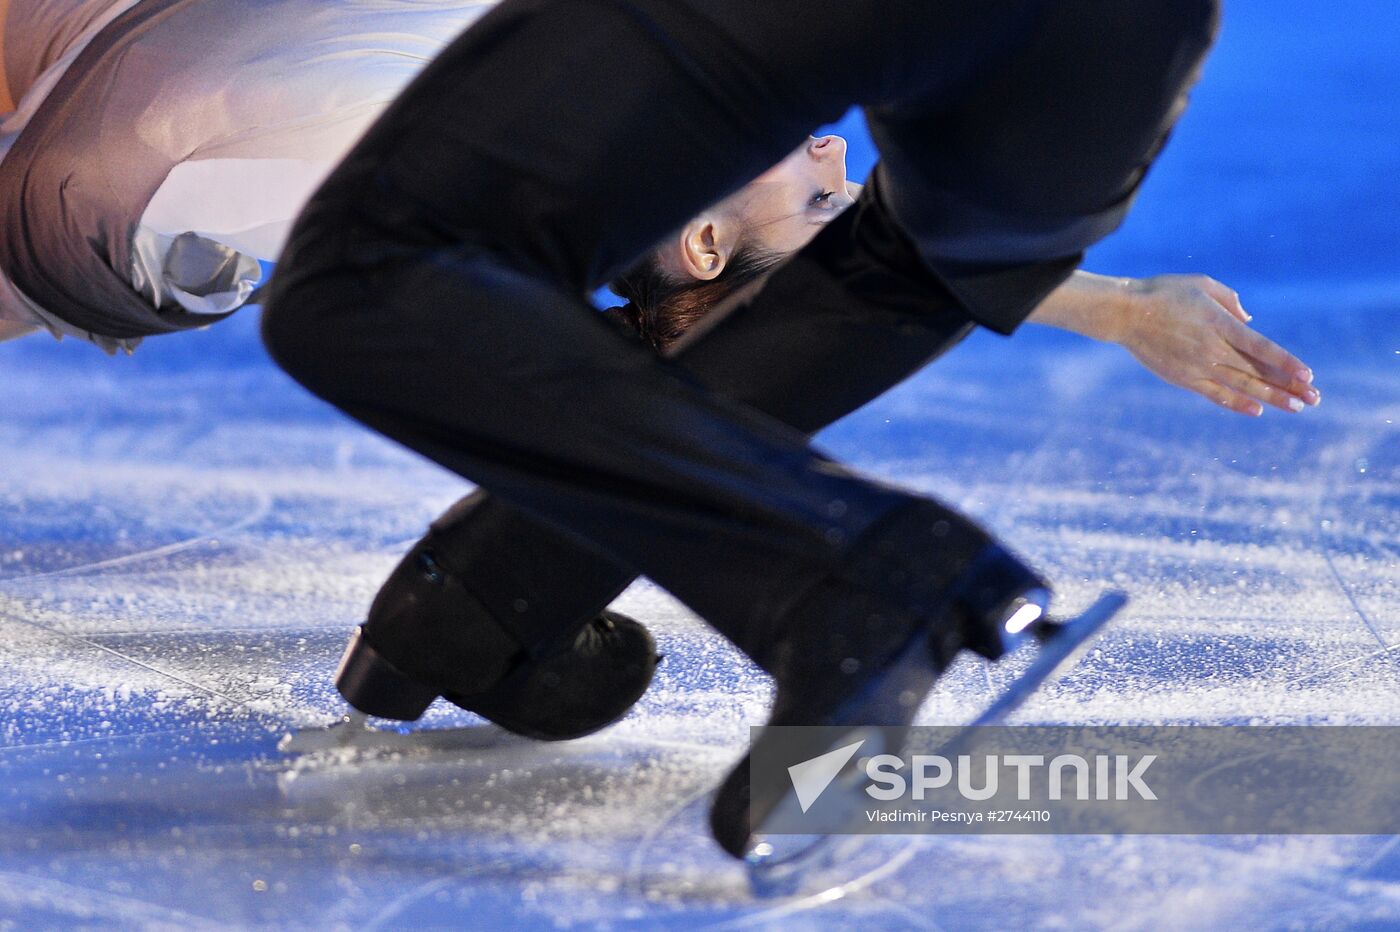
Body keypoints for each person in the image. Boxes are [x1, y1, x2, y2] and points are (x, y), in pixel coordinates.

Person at [0, 0, 1319, 747]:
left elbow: (835, 277)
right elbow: (869, 269)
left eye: (814, 182)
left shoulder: (325, 169)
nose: (827, 139)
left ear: (695, 234)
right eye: (831, 164)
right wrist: (1112, 305)